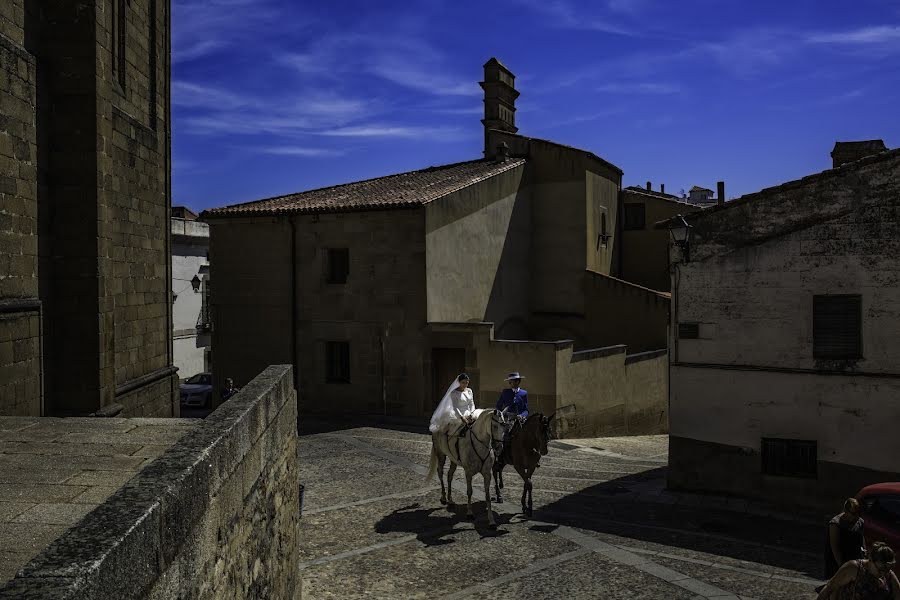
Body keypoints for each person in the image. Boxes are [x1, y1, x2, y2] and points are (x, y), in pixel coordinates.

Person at [816, 542, 899, 600]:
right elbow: (829, 588)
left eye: (887, 569)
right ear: (871, 560)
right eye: (880, 570)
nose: (883, 573)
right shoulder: (854, 568)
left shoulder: (889, 574)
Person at [822, 499, 867, 581]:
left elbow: (861, 537)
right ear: (846, 511)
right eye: (853, 513)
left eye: (858, 513)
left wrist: (864, 550)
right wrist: (841, 566)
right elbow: (835, 547)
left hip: (854, 558)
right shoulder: (835, 524)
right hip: (838, 561)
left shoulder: (860, 522)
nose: (856, 516)